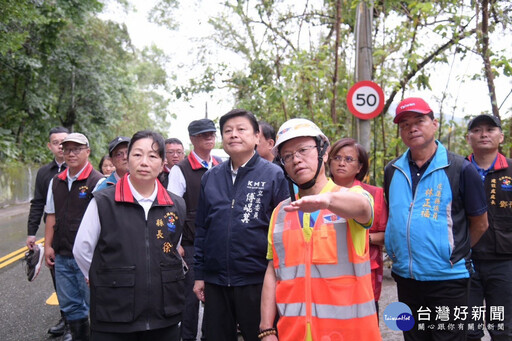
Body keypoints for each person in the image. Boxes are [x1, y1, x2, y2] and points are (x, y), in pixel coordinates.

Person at [260, 118, 381, 341]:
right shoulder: (280, 212)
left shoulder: (351, 197)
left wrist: (326, 200)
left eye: (303, 150)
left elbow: (364, 209)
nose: (296, 159)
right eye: (287, 156)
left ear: (323, 153)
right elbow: (272, 271)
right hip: (293, 334)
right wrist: (266, 329)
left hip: (350, 335)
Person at [384, 97, 488, 341]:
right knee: (414, 337)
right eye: (405, 124)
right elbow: (396, 217)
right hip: (406, 279)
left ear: (435, 124)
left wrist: (451, 254)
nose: (412, 128)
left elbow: (480, 223)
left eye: (419, 121)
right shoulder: (392, 170)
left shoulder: (461, 168)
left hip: (449, 280)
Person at [73, 130, 187, 340]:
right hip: (115, 315)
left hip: (164, 315)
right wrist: (102, 276)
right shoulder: (102, 202)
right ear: (128, 159)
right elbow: (82, 249)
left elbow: (173, 246)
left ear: (163, 164)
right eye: (137, 155)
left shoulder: (176, 204)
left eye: (152, 156)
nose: (144, 162)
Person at [193, 109, 289, 341]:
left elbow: (284, 230)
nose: (233, 135)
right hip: (216, 281)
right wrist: (200, 274)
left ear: (257, 137)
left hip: (257, 280)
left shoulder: (274, 175)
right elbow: (202, 228)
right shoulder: (211, 177)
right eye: (228, 131)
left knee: (260, 335)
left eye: (241, 129)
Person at [44, 133, 103, 340]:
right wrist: (48, 245)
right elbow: (51, 214)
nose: (71, 153)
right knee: (71, 307)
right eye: (67, 148)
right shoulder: (56, 181)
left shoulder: (98, 181)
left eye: (77, 149)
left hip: (87, 258)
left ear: (88, 151)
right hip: (61, 254)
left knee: (94, 305)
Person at [168, 119, 222, 341]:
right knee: (190, 299)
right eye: (202, 135)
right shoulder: (180, 170)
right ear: (192, 139)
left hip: (218, 244)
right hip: (190, 244)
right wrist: (176, 244)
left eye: (211, 133)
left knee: (216, 297)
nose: (208, 137)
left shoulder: (220, 165)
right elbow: (172, 210)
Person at [328, 137, 388, 316]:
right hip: (327, 269)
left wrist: (363, 238)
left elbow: (386, 235)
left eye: (348, 159)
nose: (341, 163)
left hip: (363, 270)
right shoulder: (320, 193)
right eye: (337, 158)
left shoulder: (373, 194)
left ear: (360, 167)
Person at [465, 114, 512, 341]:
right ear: (468, 138)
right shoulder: (457, 170)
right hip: (465, 262)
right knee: (467, 330)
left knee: (503, 329)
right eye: (477, 130)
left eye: (490, 130)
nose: (484, 134)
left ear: (501, 137)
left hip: (505, 262)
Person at [26, 126, 69, 337]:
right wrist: (31, 232)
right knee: (58, 276)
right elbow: (38, 203)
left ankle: (83, 319)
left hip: (79, 233)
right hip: (54, 232)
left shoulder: (82, 169)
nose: (61, 146)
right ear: (50, 146)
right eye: (56, 142)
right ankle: (66, 318)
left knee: (81, 278)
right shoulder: (45, 173)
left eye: (65, 141)